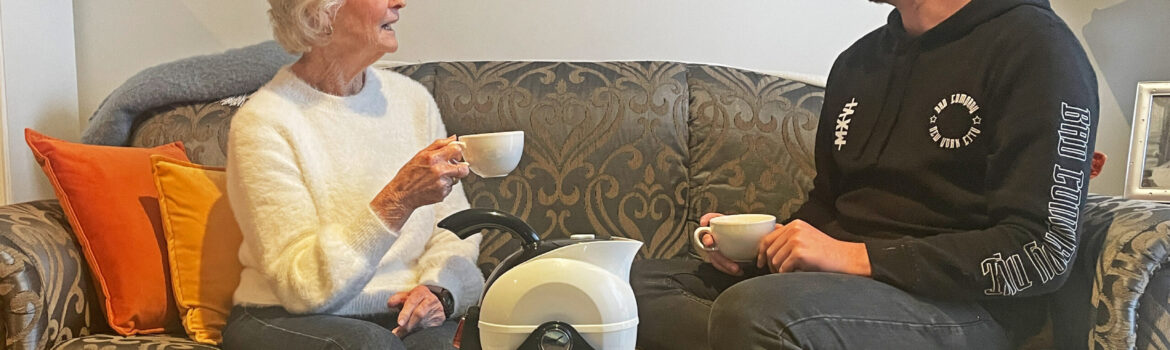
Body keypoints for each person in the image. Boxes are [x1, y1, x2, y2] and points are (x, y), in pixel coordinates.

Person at [632, 0, 1098, 348]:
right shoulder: (859, 62)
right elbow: (828, 204)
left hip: (966, 308)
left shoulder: (1039, 49)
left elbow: (1044, 251)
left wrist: (857, 258)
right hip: (832, 293)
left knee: (758, 313)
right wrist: (761, 244)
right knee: (614, 283)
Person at [219, 0, 483, 349]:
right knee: (369, 346)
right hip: (285, 315)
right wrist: (398, 199)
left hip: (400, 310)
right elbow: (304, 289)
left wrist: (440, 289)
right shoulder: (266, 121)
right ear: (321, 12)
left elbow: (455, 228)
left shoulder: (413, 101)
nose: (399, 2)